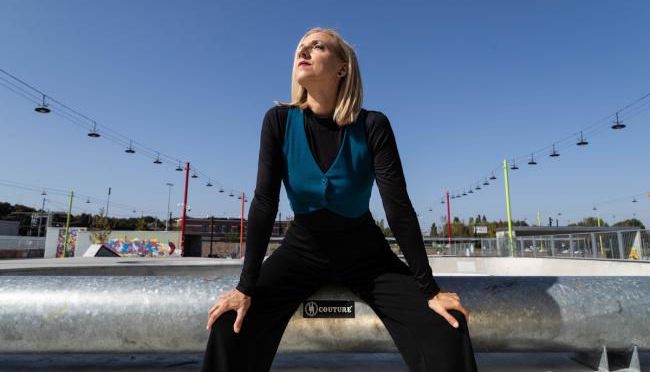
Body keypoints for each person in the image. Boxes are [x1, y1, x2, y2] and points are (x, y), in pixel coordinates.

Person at [201, 27, 478, 372]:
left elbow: (398, 209)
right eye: (300, 47)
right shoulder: (278, 121)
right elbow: (264, 203)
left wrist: (429, 289)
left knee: (447, 327)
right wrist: (245, 287)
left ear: (342, 68)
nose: (303, 51)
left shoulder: (373, 125)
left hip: (367, 255)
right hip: (301, 251)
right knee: (230, 327)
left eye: (317, 46)